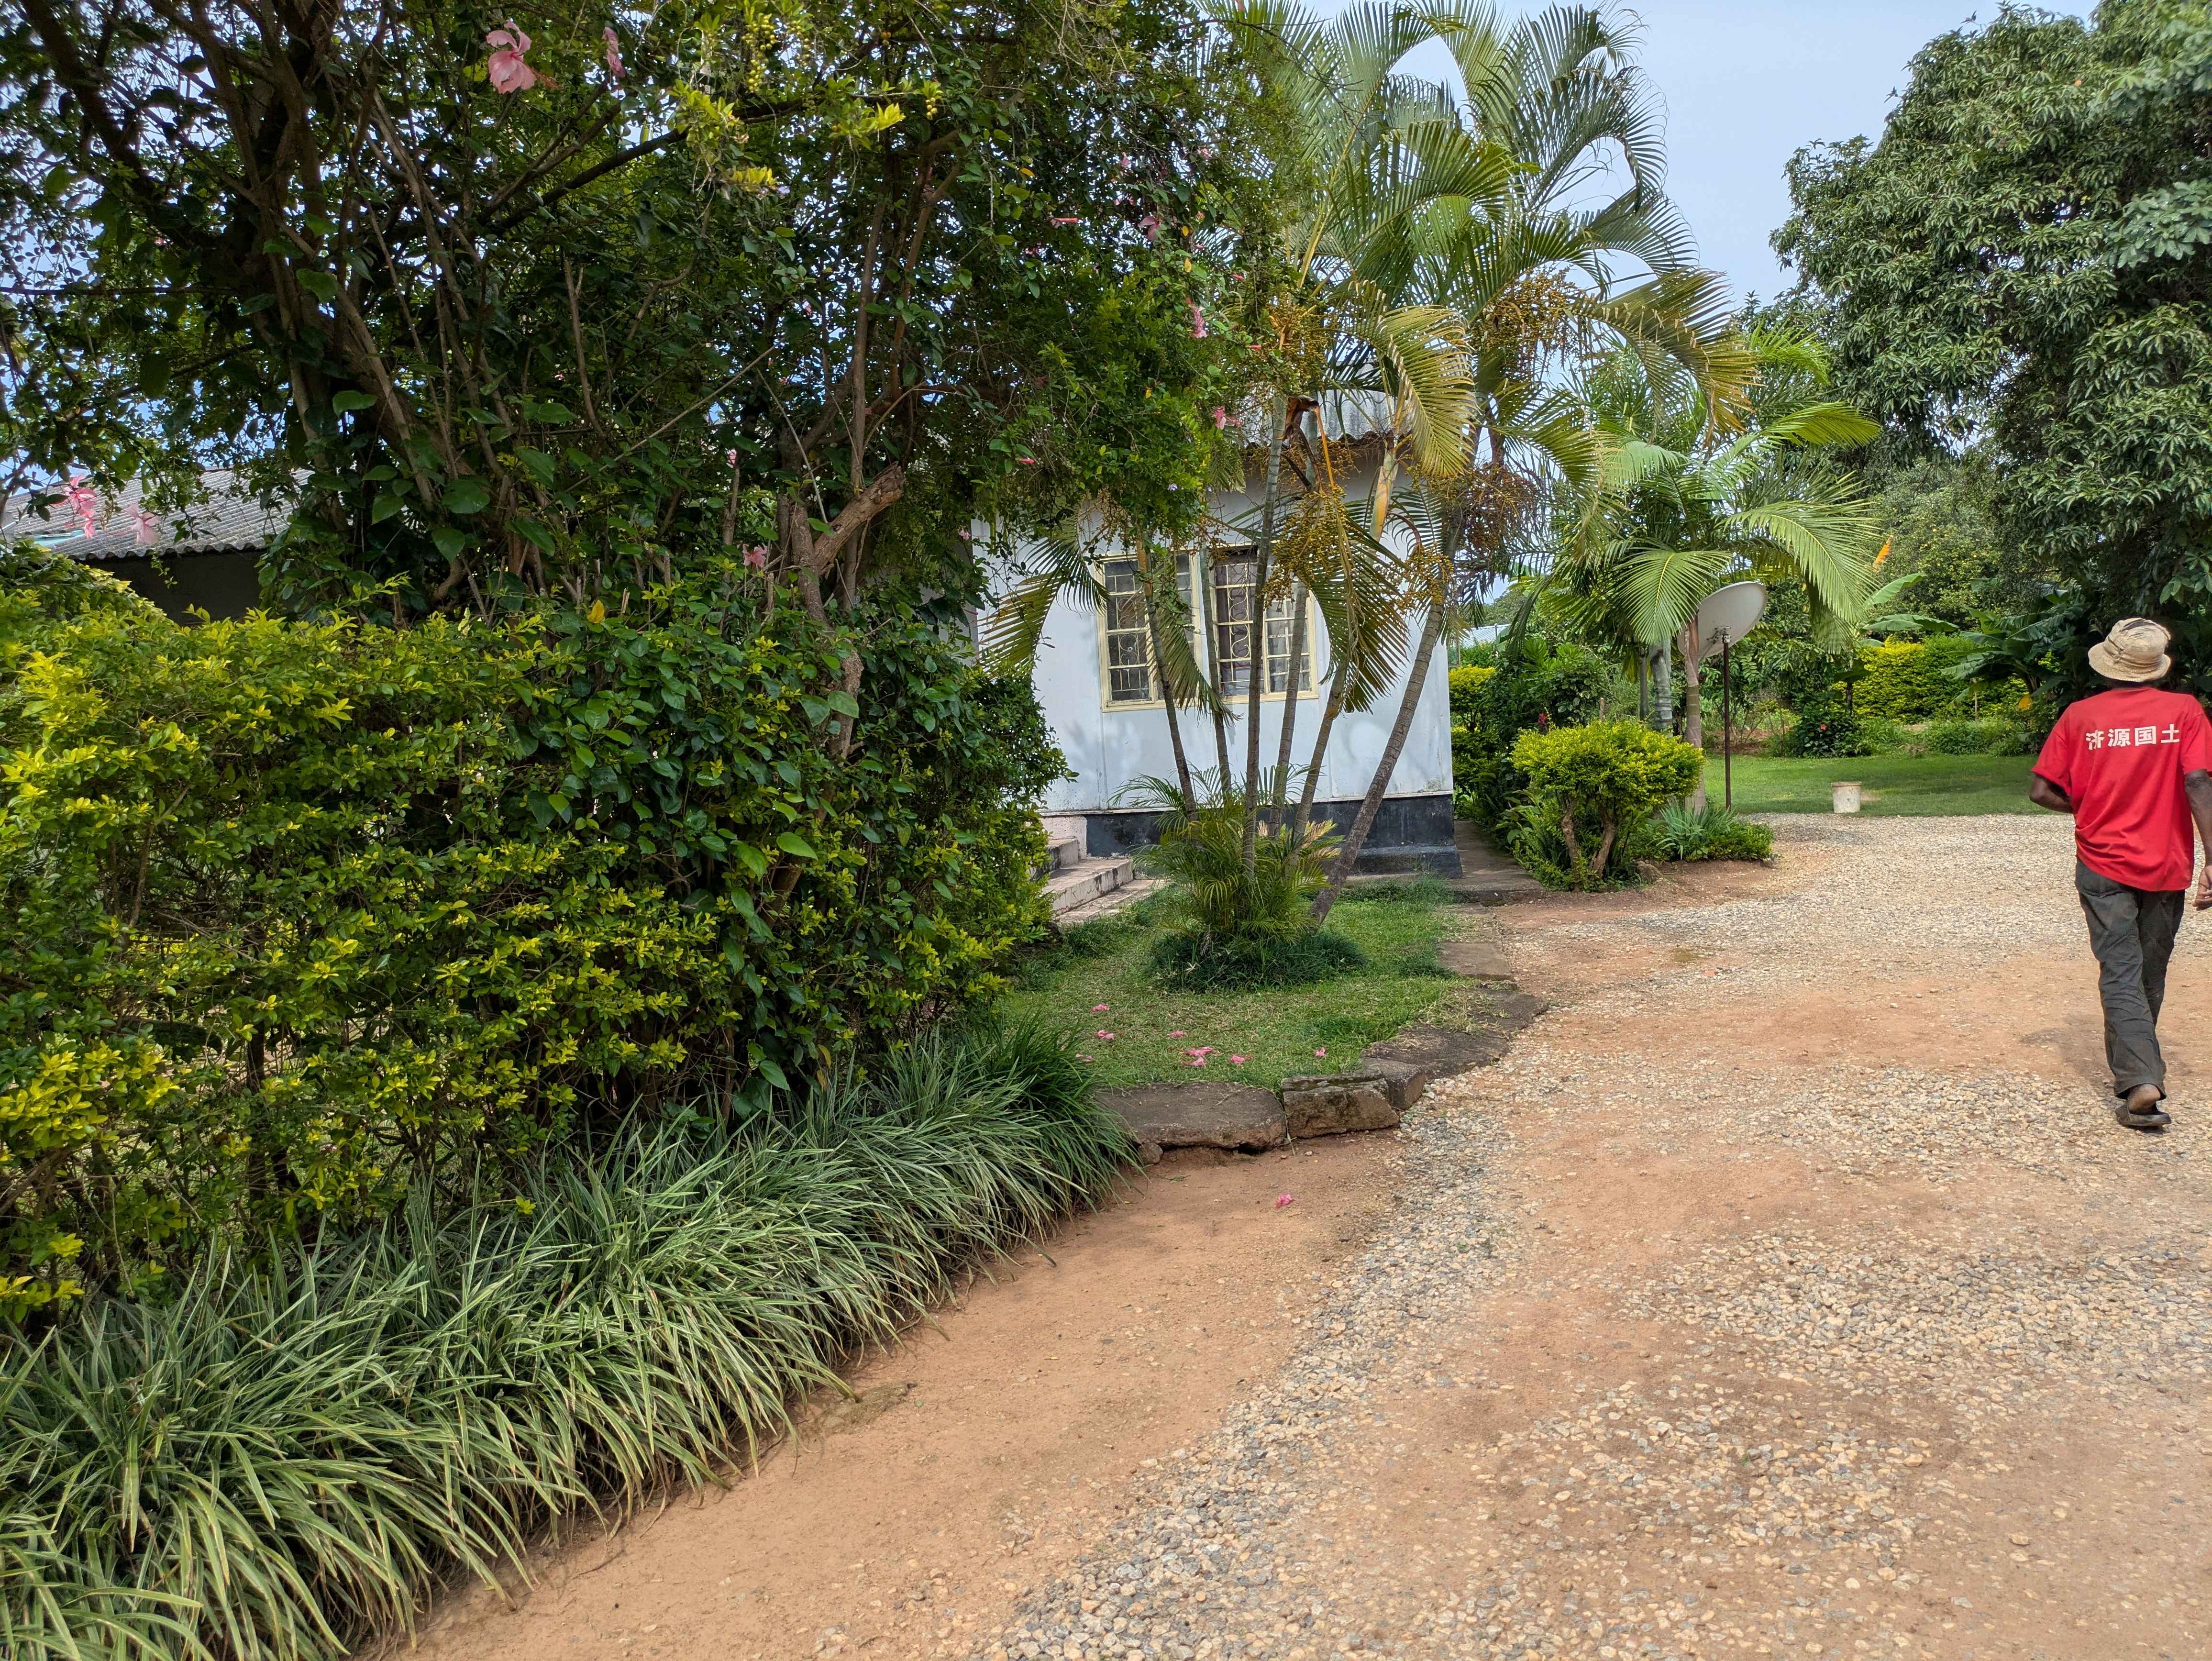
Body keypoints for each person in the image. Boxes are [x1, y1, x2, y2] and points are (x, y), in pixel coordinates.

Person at [2029, 617, 2212, 1129]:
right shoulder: (2184, 712)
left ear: (2108, 664)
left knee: (2120, 970)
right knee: (2149, 970)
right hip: (2166, 864)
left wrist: (2088, 807)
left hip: (2100, 862)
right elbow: (2198, 781)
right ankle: (2139, 1075)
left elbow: (2041, 791)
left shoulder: (2080, 716)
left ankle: (2139, 1080)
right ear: (2156, 667)